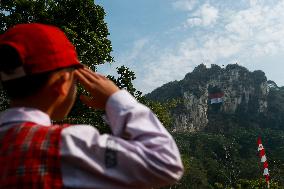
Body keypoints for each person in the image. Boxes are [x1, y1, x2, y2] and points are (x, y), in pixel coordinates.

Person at [0, 23, 184, 189]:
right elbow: (165, 162)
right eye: (76, 78)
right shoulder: (67, 144)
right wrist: (115, 99)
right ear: (62, 83)